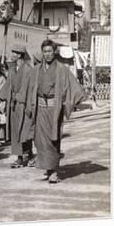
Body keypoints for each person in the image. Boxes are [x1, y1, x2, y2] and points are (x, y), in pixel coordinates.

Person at [25, 39, 84, 184]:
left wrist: (68, 102)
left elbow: (73, 87)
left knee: (53, 138)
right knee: (40, 140)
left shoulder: (62, 69)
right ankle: (48, 168)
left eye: (49, 51)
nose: (47, 54)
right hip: (39, 108)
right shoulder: (36, 70)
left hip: (54, 108)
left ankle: (54, 171)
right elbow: (29, 89)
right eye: (44, 51)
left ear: (54, 52)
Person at [0, 45, 34, 168]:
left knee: (24, 130)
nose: (11, 54)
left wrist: (20, 98)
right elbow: (8, 85)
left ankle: (28, 155)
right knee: (15, 131)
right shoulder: (12, 70)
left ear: (19, 55)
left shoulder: (28, 70)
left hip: (23, 104)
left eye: (14, 52)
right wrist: (2, 99)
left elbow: (28, 87)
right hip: (13, 105)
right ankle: (20, 156)